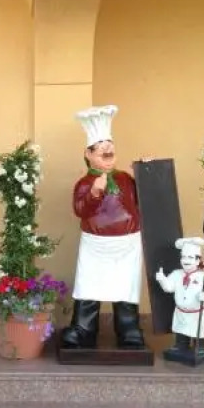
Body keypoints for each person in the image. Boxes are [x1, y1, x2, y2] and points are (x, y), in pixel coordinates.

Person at [61, 105, 146, 349]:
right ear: (88, 154)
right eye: (101, 146)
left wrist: (146, 172)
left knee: (125, 288)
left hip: (127, 244)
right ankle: (84, 329)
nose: (108, 149)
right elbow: (80, 209)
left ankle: (129, 329)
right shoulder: (84, 183)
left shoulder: (125, 179)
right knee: (90, 286)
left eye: (110, 144)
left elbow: (144, 197)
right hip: (95, 245)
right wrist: (94, 193)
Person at [155, 237, 204, 359]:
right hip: (181, 312)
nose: (186, 260)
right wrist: (162, 279)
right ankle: (181, 345)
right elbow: (169, 288)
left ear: (198, 260)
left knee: (197, 331)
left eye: (190, 257)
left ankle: (200, 347)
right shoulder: (176, 274)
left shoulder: (203, 277)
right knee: (181, 330)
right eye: (183, 257)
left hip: (196, 313)